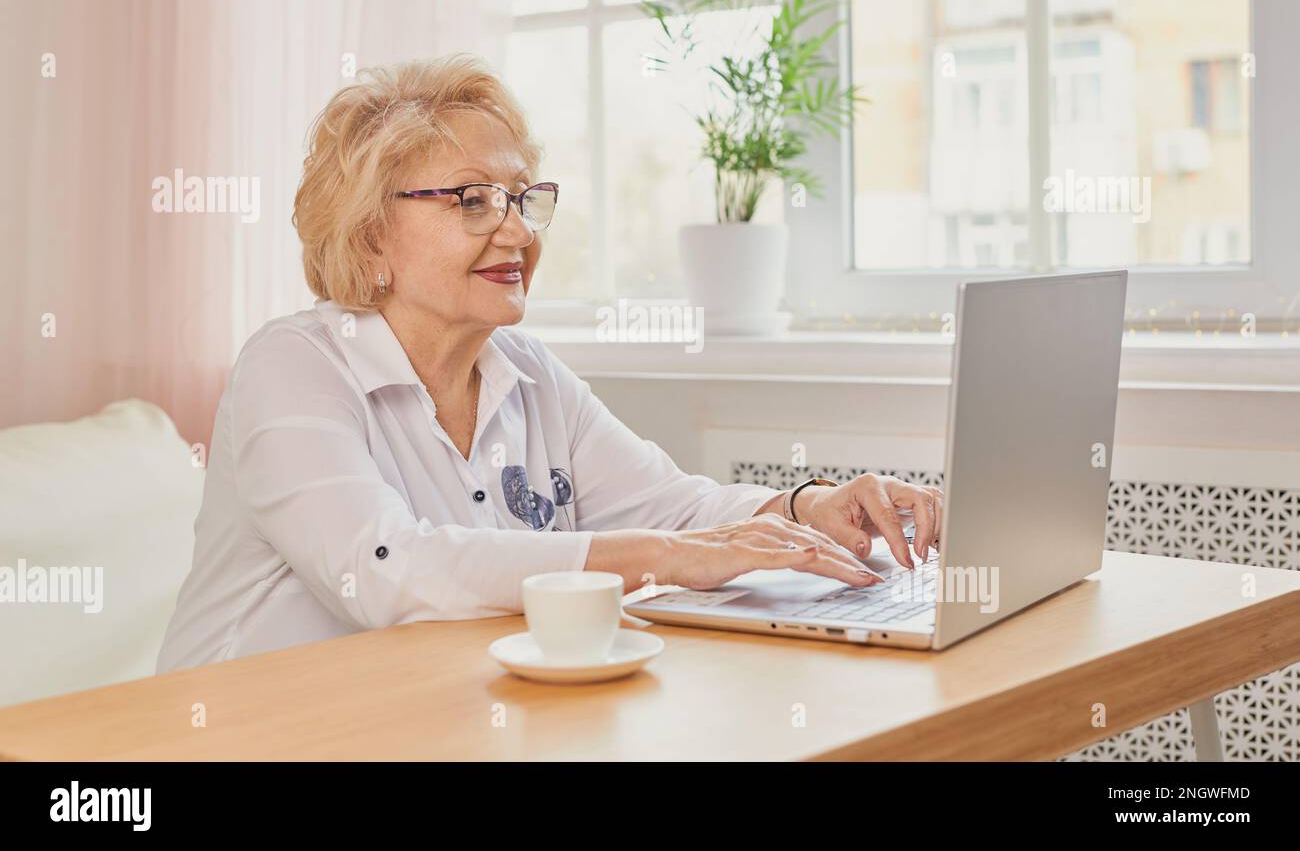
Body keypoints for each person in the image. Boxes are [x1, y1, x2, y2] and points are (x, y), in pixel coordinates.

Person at [156, 54, 942, 671]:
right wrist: (661, 560)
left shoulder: (526, 372)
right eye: (473, 200)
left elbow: (672, 508)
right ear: (368, 236)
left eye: (524, 198)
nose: (519, 233)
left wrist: (807, 510)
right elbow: (385, 569)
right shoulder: (292, 367)